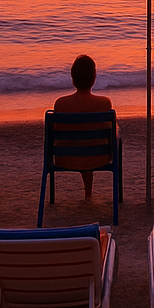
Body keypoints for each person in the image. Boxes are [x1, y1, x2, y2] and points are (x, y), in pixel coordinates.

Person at [52, 54, 115, 199]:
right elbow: (108, 132)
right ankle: (88, 194)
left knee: (82, 141)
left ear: (72, 78)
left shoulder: (60, 104)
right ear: (94, 78)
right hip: (99, 158)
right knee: (90, 141)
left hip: (65, 159)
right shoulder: (104, 103)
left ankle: (88, 194)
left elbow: (55, 129)